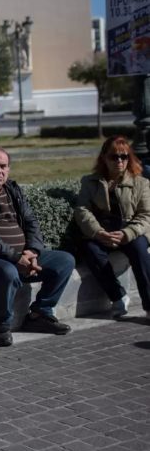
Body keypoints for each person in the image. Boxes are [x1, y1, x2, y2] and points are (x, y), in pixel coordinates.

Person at [0, 147, 75, 347]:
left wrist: (33, 252)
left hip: (22, 256)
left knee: (64, 261)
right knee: (8, 272)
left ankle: (40, 314)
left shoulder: (12, 189)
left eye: (3, 166)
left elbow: (31, 223)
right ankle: (1, 324)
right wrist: (15, 257)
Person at [73, 136, 150, 318]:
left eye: (124, 157)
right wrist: (98, 232)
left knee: (140, 252)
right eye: (113, 157)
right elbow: (82, 209)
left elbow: (146, 215)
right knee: (90, 250)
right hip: (103, 231)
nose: (120, 161)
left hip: (131, 230)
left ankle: (149, 305)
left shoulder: (141, 183)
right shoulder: (90, 182)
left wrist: (126, 233)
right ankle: (118, 296)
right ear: (104, 158)